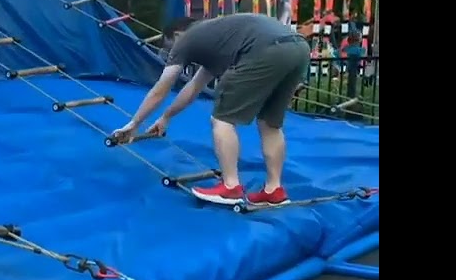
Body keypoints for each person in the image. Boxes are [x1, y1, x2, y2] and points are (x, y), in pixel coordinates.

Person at [111, 13, 310, 207]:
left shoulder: (186, 39)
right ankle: (273, 190)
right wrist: (166, 117)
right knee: (270, 124)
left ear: (178, 35)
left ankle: (230, 186)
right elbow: (193, 88)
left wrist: (134, 123)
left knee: (222, 120)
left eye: (170, 45)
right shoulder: (218, 37)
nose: (172, 53)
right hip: (298, 48)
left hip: (264, 51)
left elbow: (160, 89)